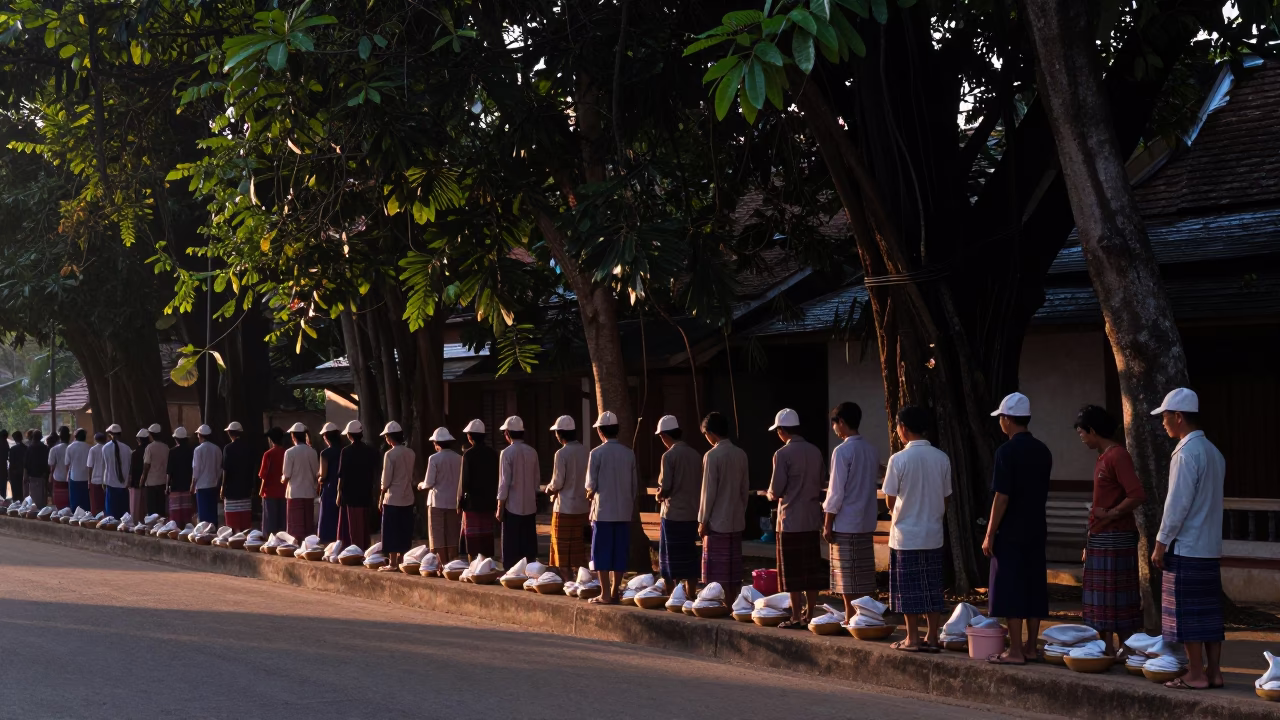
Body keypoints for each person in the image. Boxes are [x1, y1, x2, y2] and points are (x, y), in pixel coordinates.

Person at [1150, 388, 1226, 690]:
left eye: (1166, 417)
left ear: (1178, 417)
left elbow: (1176, 505)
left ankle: (1195, 674)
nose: (1164, 423)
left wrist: (1160, 543)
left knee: (1189, 614)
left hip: (1187, 546)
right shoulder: (1214, 452)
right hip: (1210, 547)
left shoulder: (1185, 453)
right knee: (1209, 614)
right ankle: (1214, 672)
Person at [982, 393, 1053, 665]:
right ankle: (1031, 647)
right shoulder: (1043, 450)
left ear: (1008, 419)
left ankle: (1013, 651)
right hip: (1037, 525)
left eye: (1001, 417)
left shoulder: (1006, 451)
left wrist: (989, 533)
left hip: (1011, 528)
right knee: (1034, 583)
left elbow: (1002, 496)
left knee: (1009, 585)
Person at [1074, 404, 1146, 653]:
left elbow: (1136, 494)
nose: (1082, 439)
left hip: (1116, 537)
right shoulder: (1103, 457)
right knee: (1100, 599)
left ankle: (1126, 648)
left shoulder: (1117, 456)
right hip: (1100, 535)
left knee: (1118, 596)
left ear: (1093, 431)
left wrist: (1113, 513)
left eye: (1082, 433)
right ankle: (1104, 647)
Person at [884, 405, 952, 654]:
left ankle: (912, 637)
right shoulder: (942, 457)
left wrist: (901, 511)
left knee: (908, 588)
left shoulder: (898, 459)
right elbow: (946, 498)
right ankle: (933, 636)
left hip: (906, 536)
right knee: (932, 586)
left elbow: (890, 499)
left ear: (903, 427)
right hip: (933, 533)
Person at [766, 408, 827, 628]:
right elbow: (822, 482)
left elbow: (777, 488)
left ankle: (796, 616)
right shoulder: (815, 451)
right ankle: (810, 612)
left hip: (790, 519)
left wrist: (770, 494)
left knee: (791, 572)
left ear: (782, 431)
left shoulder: (781, 454)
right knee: (810, 570)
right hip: (811, 518)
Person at [823, 401, 880, 622]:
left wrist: (828, 522)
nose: (834, 429)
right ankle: (863, 615)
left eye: (834, 424)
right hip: (865, 520)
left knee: (846, 575)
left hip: (846, 521)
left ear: (842, 423)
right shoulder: (871, 449)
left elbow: (835, 491)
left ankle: (849, 616)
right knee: (862, 574)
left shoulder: (842, 451)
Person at [585, 411, 639, 604]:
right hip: (623, 511)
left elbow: (590, 486)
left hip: (603, 512)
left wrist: (589, 495)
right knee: (619, 553)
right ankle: (615, 591)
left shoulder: (596, 453)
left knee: (601, 553)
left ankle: (605, 594)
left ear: (600, 431)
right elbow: (634, 487)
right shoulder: (628, 453)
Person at [698, 411, 749, 599]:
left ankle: (719, 603)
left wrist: (703, 520)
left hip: (716, 522)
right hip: (736, 519)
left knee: (717, 570)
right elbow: (745, 490)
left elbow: (707, 492)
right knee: (732, 570)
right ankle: (733, 601)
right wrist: (740, 511)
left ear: (711, 433)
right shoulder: (741, 454)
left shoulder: (712, 456)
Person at [655, 415, 702, 601]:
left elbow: (666, 487)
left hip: (673, 514)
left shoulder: (668, 456)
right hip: (692, 513)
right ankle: (690, 594)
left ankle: (672, 596)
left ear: (665, 436)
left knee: (668, 560)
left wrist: (659, 495)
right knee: (689, 556)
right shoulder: (696, 455)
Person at [545, 415, 589, 579]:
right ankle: (582, 581)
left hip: (564, 508)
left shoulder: (561, 454)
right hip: (582, 507)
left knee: (562, 552)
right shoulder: (586, 451)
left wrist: (548, 490)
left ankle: (567, 581)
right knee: (579, 550)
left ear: (560, 434)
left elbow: (557, 483)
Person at [497, 416, 539, 565]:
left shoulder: (506, 453)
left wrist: (499, 506)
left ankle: (512, 574)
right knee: (528, 547)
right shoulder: (532, 452)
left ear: (507, 433)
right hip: (529, 506)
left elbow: (504, 482)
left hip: (511, 506)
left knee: (511, 547)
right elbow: (536, 482)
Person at [418, 426, 462, 561]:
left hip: (436, 502)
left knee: (437, 534)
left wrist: (421, 485)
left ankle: (441, 564)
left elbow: (429, 482)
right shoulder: (459, 458)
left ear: (436, 444)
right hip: (454, 501)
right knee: (452, 534)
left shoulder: (434, 458)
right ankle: (452, 563)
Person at [378, 421, 416, 572]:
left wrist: (381, 496)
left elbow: (386, 480)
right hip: (407, 496)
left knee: (391, 530)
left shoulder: (390, 454)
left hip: (393, 497)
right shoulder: (410, 453)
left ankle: (393, 562)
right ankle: (402, 560)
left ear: (389, 438)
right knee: (404, 529)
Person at [458, 419, 499, 558]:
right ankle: (486, 567)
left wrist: (460, 502)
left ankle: (473, 567)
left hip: (472, 503)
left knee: (472, 539)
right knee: (487, 537)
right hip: (489, 502)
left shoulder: (468, 455)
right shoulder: (493, 454)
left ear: (470, 437)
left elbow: (465, 482)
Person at [336, 420, 376, 549]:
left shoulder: (346, 451)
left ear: (350, 435)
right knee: (364, 524)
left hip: (350, 494)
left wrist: (338, 493)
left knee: (354, 525)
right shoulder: (370, 451)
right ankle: (365, 547)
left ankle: (355, 550)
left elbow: (341, 475)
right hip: (366, 492)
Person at [282, 422, 319, 541]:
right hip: (309, 492)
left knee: (295, 525)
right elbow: (317, 473)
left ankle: (295, 545)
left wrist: (282, 479)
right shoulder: (312, 451)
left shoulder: (289, 452)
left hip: (294, 493)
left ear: (293, 437)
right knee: (308, 524)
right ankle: (308, 545)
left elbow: (286, 476)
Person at [221, 422, 257, 531]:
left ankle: (233, 537)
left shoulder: (228, 448)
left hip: (231, 488)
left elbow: (225, 469)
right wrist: (253, 485)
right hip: (245, 486)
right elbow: (253, 468)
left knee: (232, 518)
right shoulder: (248, 448)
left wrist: (223, 486)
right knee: (244, 516)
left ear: (229, 433)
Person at [316, 422, 344, 543]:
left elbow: (323, 474)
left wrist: (318, 479)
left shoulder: (325, 453)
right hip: (342, 487)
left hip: (329, 487)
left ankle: (327, 541)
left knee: (327, 517)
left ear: (326, 437)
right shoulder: (344, 451)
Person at [258, 426, 288, 534]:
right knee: (283, 521)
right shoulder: (286, 453)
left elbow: (264, 475)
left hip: (270, 492)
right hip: (284, 491)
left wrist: (261, 491)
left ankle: (270, 541)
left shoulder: (268, 454)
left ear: (270, 440)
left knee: (270, 522)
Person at [192, 424, 223, 525]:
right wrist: (217, 481)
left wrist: (192, 484)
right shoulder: (217, 449)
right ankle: (213, 531)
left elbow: (196, 469)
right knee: (212, 511)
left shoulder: (198, 450)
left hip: (201, 486)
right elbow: (219, 468)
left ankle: (204, 534)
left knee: (203, 513)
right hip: (213, 484)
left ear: (200, 435)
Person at [99, 424, 132, 518]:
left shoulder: (105, 448)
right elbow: (130, 466)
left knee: (111, 513)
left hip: (110, 483)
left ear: (110, 434)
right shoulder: (127, 448)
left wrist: (103, 481)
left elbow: (104, 466)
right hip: (123, 484)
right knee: (124, 513)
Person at [166, 427, 195, 526]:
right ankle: (187, 527)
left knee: (176, 509)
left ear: (176, 439)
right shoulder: (191, 451)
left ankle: (176, 527)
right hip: (187, 484)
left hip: (175, 485)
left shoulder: (172, 451)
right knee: (186, 509)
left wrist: (167, 486)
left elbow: (169, 471)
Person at [142, 423, 170, 516]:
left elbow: (146, 466)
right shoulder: (166, 447)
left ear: (151, 434)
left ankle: (152, 526)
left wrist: (142, 480)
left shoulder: (149, 448)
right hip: (163, 481)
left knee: (152, 508)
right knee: (161, 507)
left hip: (151, 483)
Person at [65, 428, 91, 512]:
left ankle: (75, 514)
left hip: (74, 476)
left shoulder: (70, 447)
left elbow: (67, 463)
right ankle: (86, 514)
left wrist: (67, 475)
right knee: (85, 499)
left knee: (74, 498)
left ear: (75, 436)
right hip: (86, 476)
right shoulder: (89, 447)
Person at [129, 428, 150, 518]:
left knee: (136, 506)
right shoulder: (150, 450)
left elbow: (132, 469)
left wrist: (130, 481)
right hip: (149, 483)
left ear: (138, 440)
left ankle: (136, 523)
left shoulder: (135, 453)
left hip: (136, 483)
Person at [25, 428, 50, 506]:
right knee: (42, 494)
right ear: (41, 437)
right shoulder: (45, 448)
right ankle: (42, 508)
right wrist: (46, 473)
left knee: (33, 494)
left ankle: (34, 508)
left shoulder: (29, 448)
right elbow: (47, 462)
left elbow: (26, 463)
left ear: (33, 437)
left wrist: (26, 475)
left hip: (32, 475)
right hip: (42, 475)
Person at [49, 427, 70, 509]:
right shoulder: (71, 447)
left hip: (57, 477)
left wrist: (50, 475)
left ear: (59, 437)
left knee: (58, 501)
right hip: (70, 478)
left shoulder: (54, 449)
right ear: (69, 436)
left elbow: (52, 465)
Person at [87, 432, 106, 514]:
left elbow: (90, 466)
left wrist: (89, 479)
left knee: (96, 502)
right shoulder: (107, 448)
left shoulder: (93, 449)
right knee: (104, 501)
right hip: (106, 479)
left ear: (95, 440)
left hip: (95, 479)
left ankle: (97, 517)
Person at [4, 429, 22, 502]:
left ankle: (15, 502)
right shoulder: (26, 448)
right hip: (23, 472)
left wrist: (9, 473)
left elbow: (11, 461)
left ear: (14, 439)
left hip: (15, 472)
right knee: (22, 490)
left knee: (15, 489)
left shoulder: (13, 449)